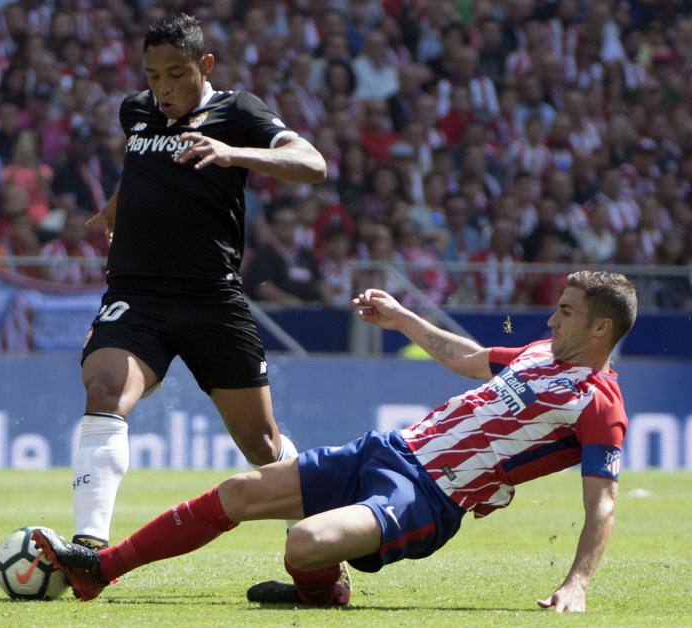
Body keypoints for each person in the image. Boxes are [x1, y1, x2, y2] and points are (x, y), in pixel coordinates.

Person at [35, 270, 636, 613]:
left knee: (304, 541)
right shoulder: (535, 355)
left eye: (564, 311)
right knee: (239, 493)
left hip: (426, 497)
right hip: (385, 449)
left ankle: (319, 588)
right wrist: (401, 315)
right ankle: (98, 572)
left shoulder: (599, 403)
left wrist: (576, 583)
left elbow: (602, 502)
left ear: (599, 327)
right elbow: (468, 356)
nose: (551, 319)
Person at [69, 14, 326, 551]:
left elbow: (312, 162)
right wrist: (118, 206)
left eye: (176, 74)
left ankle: (317, 527)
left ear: (204, 65)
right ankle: (88, 547)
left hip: (212, 299)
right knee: (105, 389)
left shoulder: (238, 111)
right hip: (137, 295)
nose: (163, 89)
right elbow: (144, 166)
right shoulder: (135, 111)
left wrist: (235, 154)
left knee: (260, 443)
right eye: (153, 74)